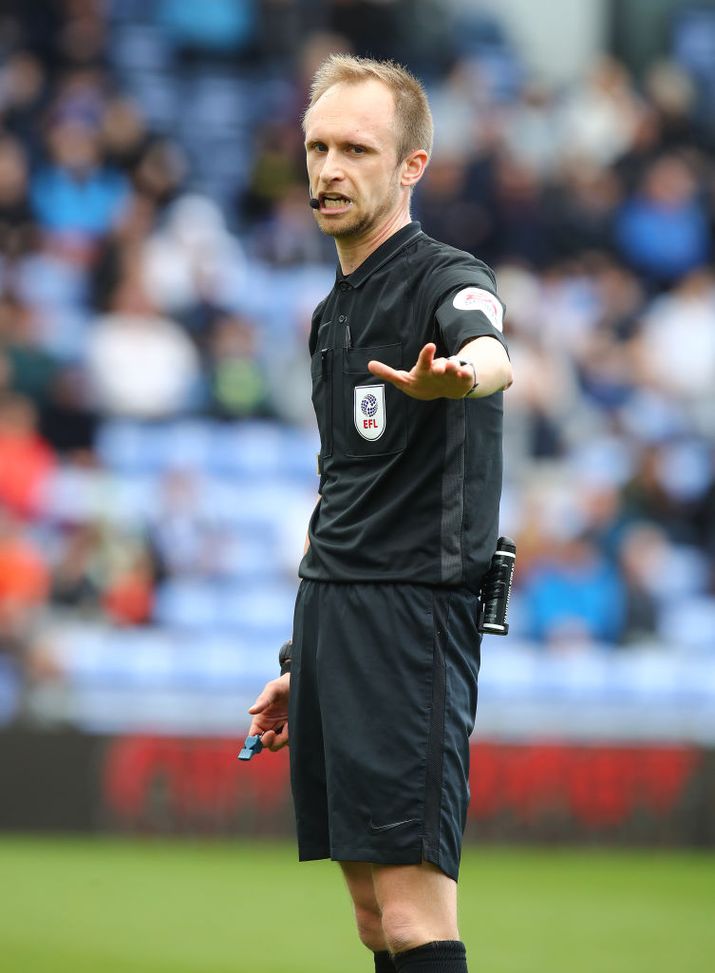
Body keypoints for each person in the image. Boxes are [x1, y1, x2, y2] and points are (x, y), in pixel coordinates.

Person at [247, 54, 512, 973]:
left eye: (356, 148)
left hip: (410, 617)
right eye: (317, 146)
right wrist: (299, 663)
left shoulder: (444, 275)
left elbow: (490, 343)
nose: (327, 169)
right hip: (336, 617)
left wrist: (461, 373)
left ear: (411, 165)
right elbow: (341, 492)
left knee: (414, 914)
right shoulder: (331, 313)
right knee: (370, 914)